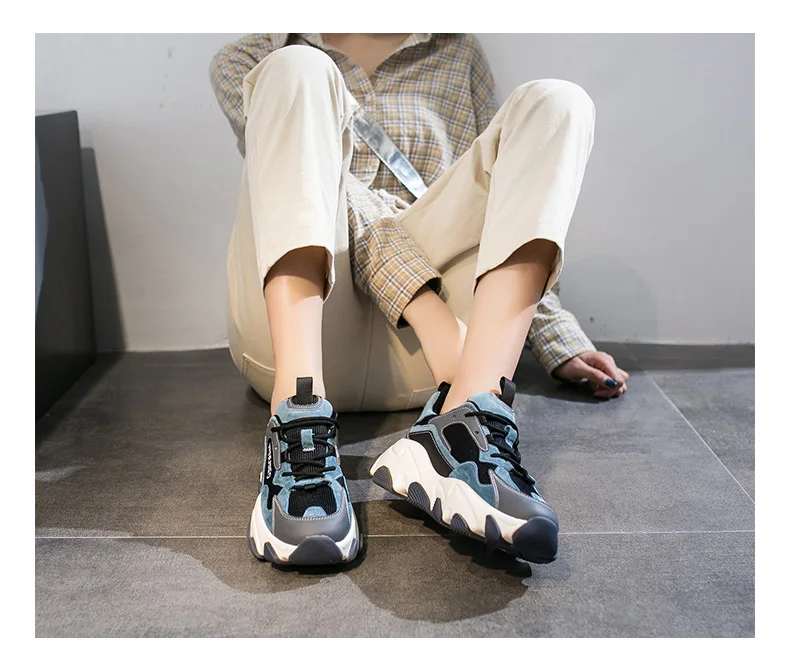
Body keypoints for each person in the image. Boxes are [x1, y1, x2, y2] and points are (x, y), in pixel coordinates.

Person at [210, 33, 630, 567]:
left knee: (557, 105)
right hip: (313, 334)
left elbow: (509, 201)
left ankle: (465, 423)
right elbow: (322, 190)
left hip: (434, 363)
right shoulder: (248, 58)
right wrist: (430, 315)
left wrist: (554, 336)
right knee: (296, 70)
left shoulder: (459, 53)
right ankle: (298, 424)